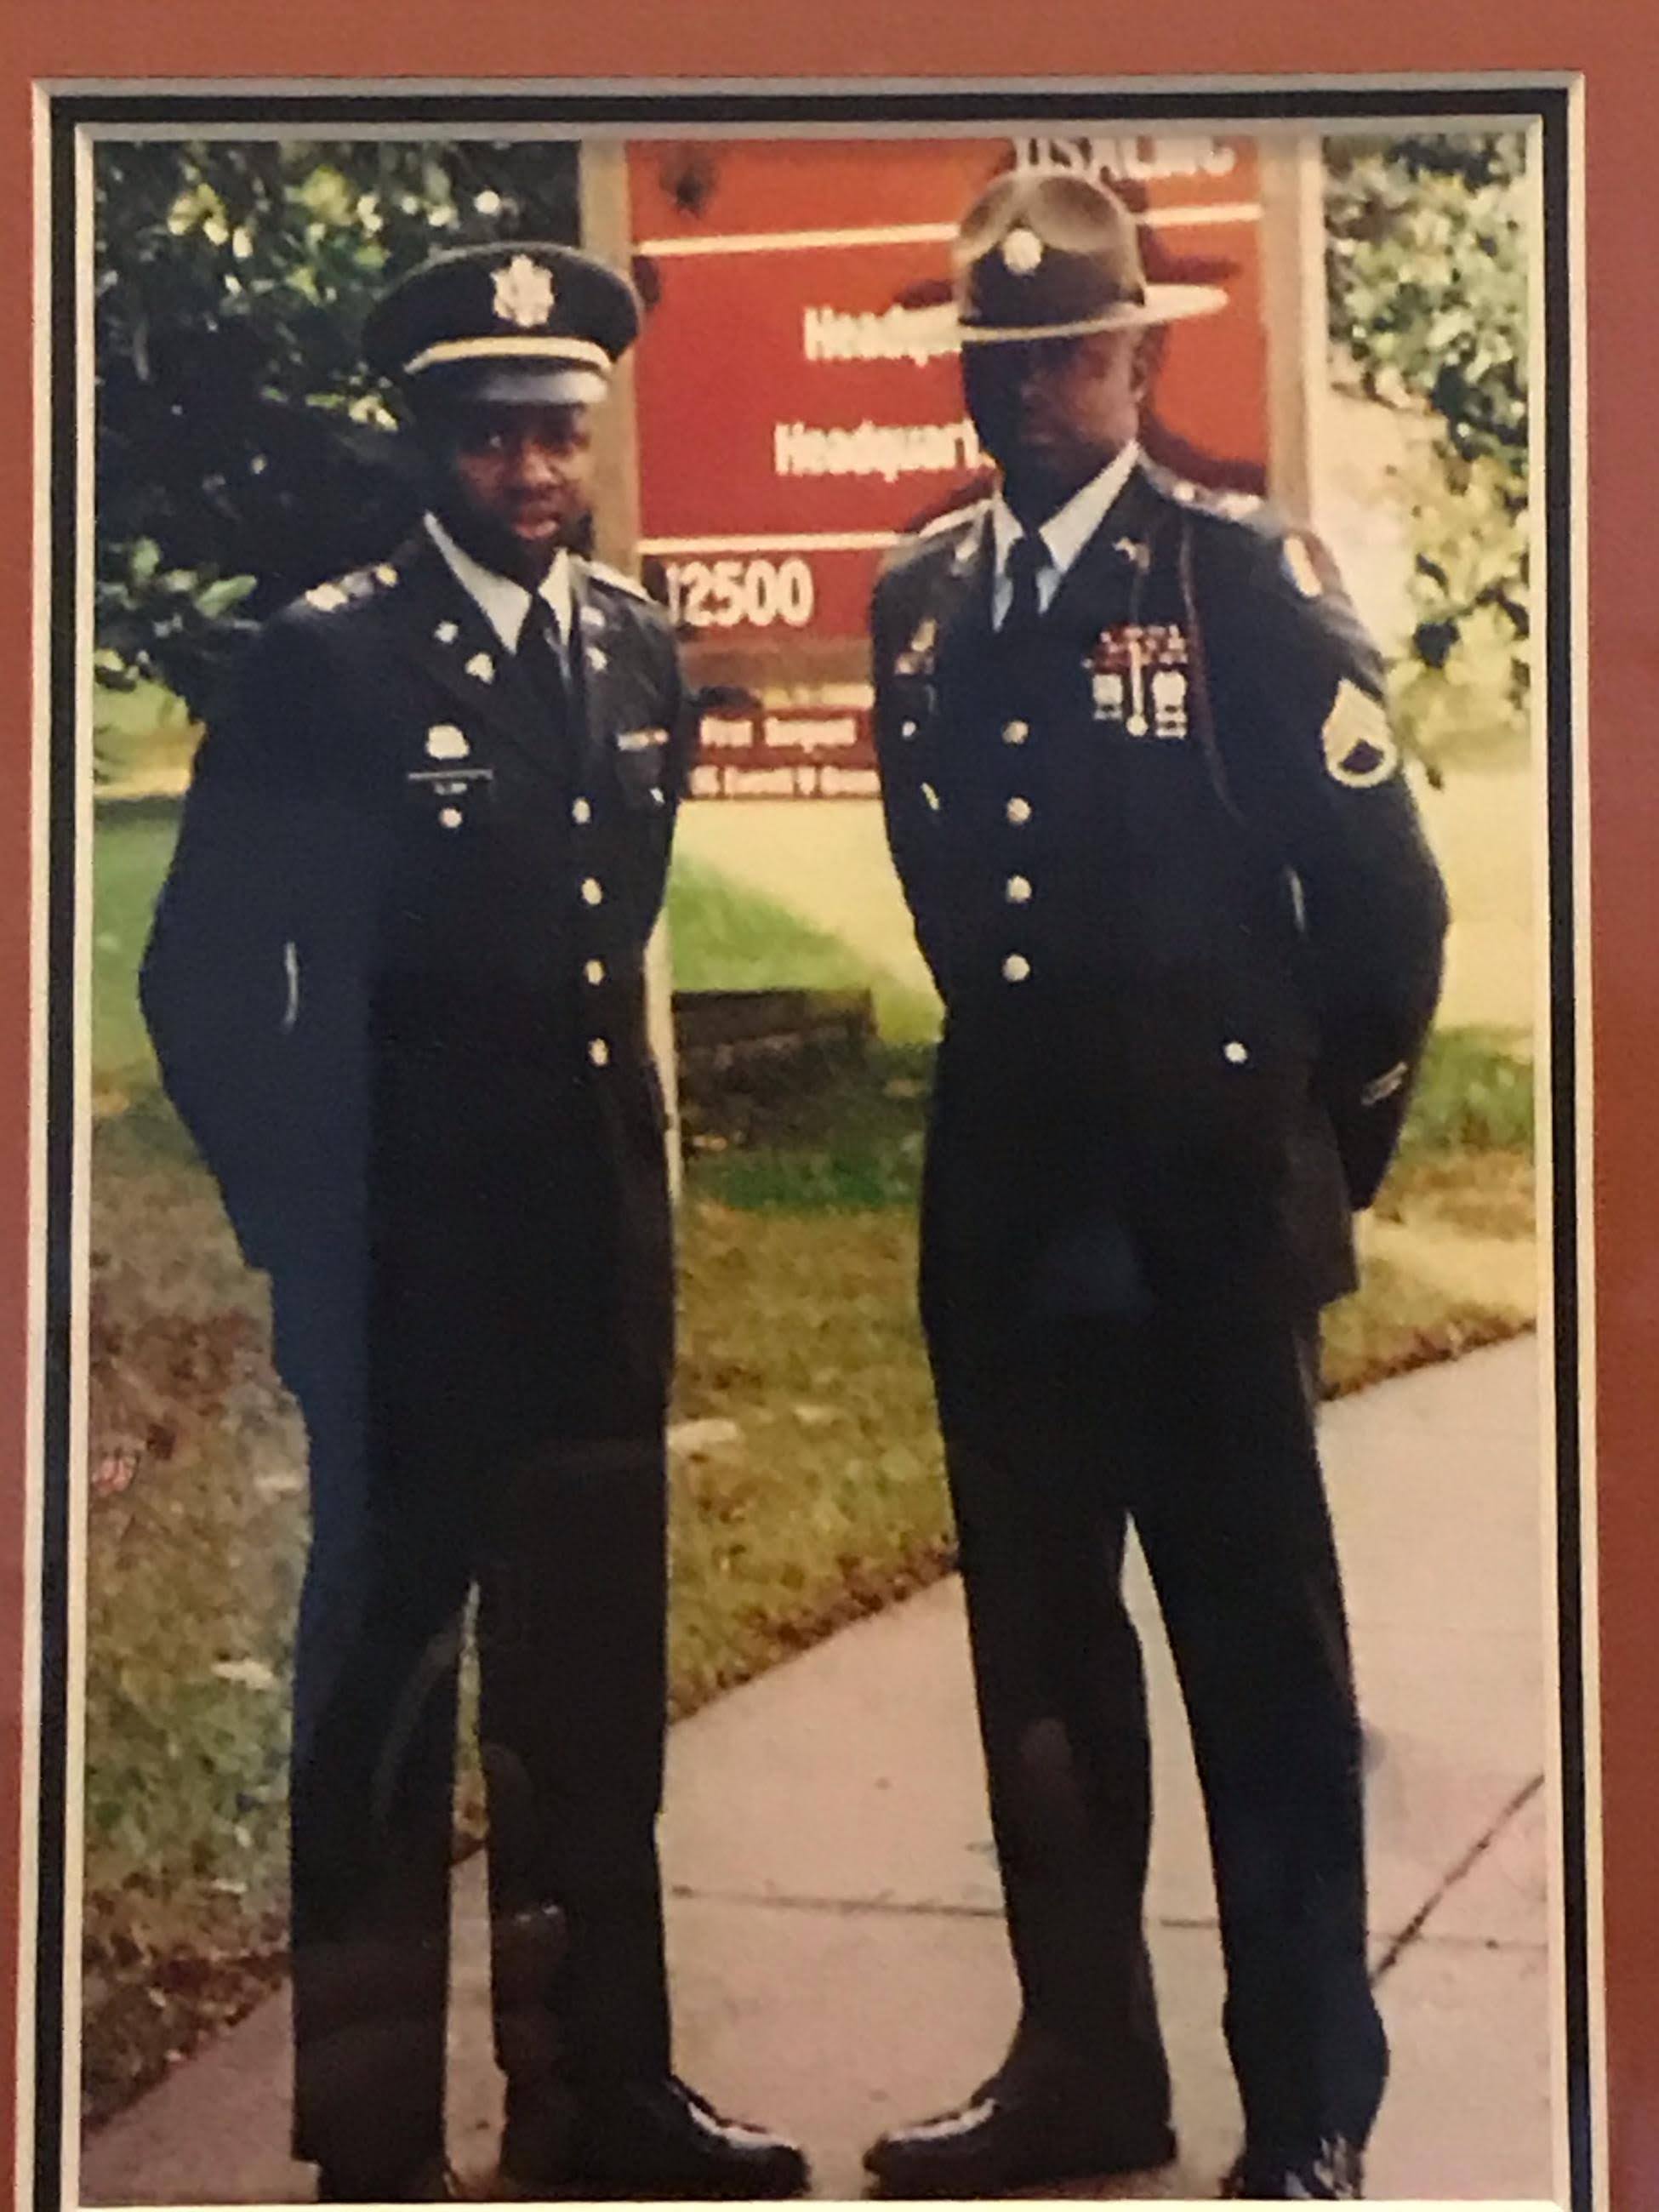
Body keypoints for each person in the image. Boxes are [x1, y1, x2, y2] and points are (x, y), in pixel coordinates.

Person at [140, 240, 807, 2204]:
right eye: (498, 431)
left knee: (593, 1709)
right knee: (385, 1716)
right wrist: (303, 1234)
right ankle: (372, 2137)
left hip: (593, 1264)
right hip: (402, 1286)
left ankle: (605, 2103)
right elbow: (200, 982)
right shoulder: (327, 661)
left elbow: (605, 950)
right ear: (429, 435)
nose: (535, 468)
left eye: (562, 431)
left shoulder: (632, 646)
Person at [864, 170, 1449, 2204]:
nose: (1032, 385)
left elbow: (1386, 916)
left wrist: (1306, 1152)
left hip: (1205, 1225)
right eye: (1000, 354)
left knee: (1258, 1669)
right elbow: (957, 903)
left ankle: (1305, 2103)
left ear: (1142, 357)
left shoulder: (1240, 578)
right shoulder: (921, 599)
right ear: (967, 367)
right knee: (1040, 1664)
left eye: (1073, 350)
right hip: (1017, 1227)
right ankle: (1082, 2071)